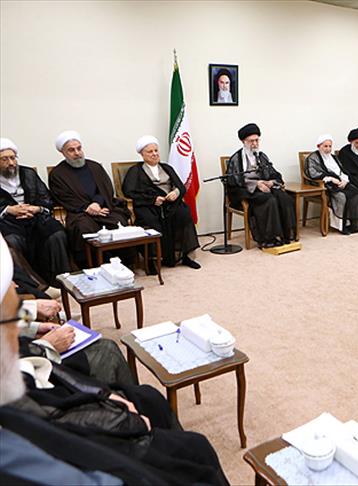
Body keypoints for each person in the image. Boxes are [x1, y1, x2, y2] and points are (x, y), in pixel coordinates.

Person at [0, 236, 230, 485]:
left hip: (51, 379)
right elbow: (60, 430)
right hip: (63, 401)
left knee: (148, 396)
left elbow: (9, 323)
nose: (14, 286)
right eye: (15, 314)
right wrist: (47, 346)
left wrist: (33, 326)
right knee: (194, 447)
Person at [48, 131, 132, 267]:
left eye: (79, 148)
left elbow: (106, 188)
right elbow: (63, 197)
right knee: (83, 228)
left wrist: (97, 203)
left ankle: (122, 264)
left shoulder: (95, 166)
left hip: (103, 207)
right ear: (62, 152)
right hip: (79, 212)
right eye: (71, 150)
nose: (77, 153)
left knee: (118, 221)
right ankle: (95, 266)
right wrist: (87, 207)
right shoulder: (57, 174)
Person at [122, 136, 200, 269]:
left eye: (156, 150)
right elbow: (128, 192)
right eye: (150, 151)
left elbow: (180, 187)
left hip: (170, 204)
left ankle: (186, 256)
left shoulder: (167, 167)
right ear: (142, 154)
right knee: (152, 222)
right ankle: (153, 260)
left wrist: (175, 193)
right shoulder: (135, 170)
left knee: (184, 214)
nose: (154, 154)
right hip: (148, 205)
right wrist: (152, 200)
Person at [0, 138, 71, 285]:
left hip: (35, 216)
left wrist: (36, 208)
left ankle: (61, 281)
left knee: (56, 234)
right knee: (11, 241)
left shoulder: (28, 173)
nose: (11, 163)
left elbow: (45, 196)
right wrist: (8, 209)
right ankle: (34, 285)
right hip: (8, 221)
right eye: (4, 159)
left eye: (13, 158)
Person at [225, 123, 295, 248]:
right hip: (248, 190)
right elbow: (234, 180)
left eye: (257, 140)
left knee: (285, 198)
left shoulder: (262, 156)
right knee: (269, 200)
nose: (255, 144)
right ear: (243, 141)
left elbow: (273, 173)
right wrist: (256, 184)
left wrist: (271, 182)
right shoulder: (236, 159)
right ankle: (269, 238)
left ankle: (285, 235)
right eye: (251, 141)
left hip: (265, 186)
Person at [304, 134, 358, 234]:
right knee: (341, 196)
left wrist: (345, 180)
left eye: (330, 146)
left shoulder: (334, 157)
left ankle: (353, 225)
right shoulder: (313, 158)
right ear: (319, 146)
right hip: (327, 186)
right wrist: (330, 179)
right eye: (325, 146)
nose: (328, 149)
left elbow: (342, 170)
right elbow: (312, 173)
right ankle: (341, 226)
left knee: (357, 194)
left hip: (340, 182)